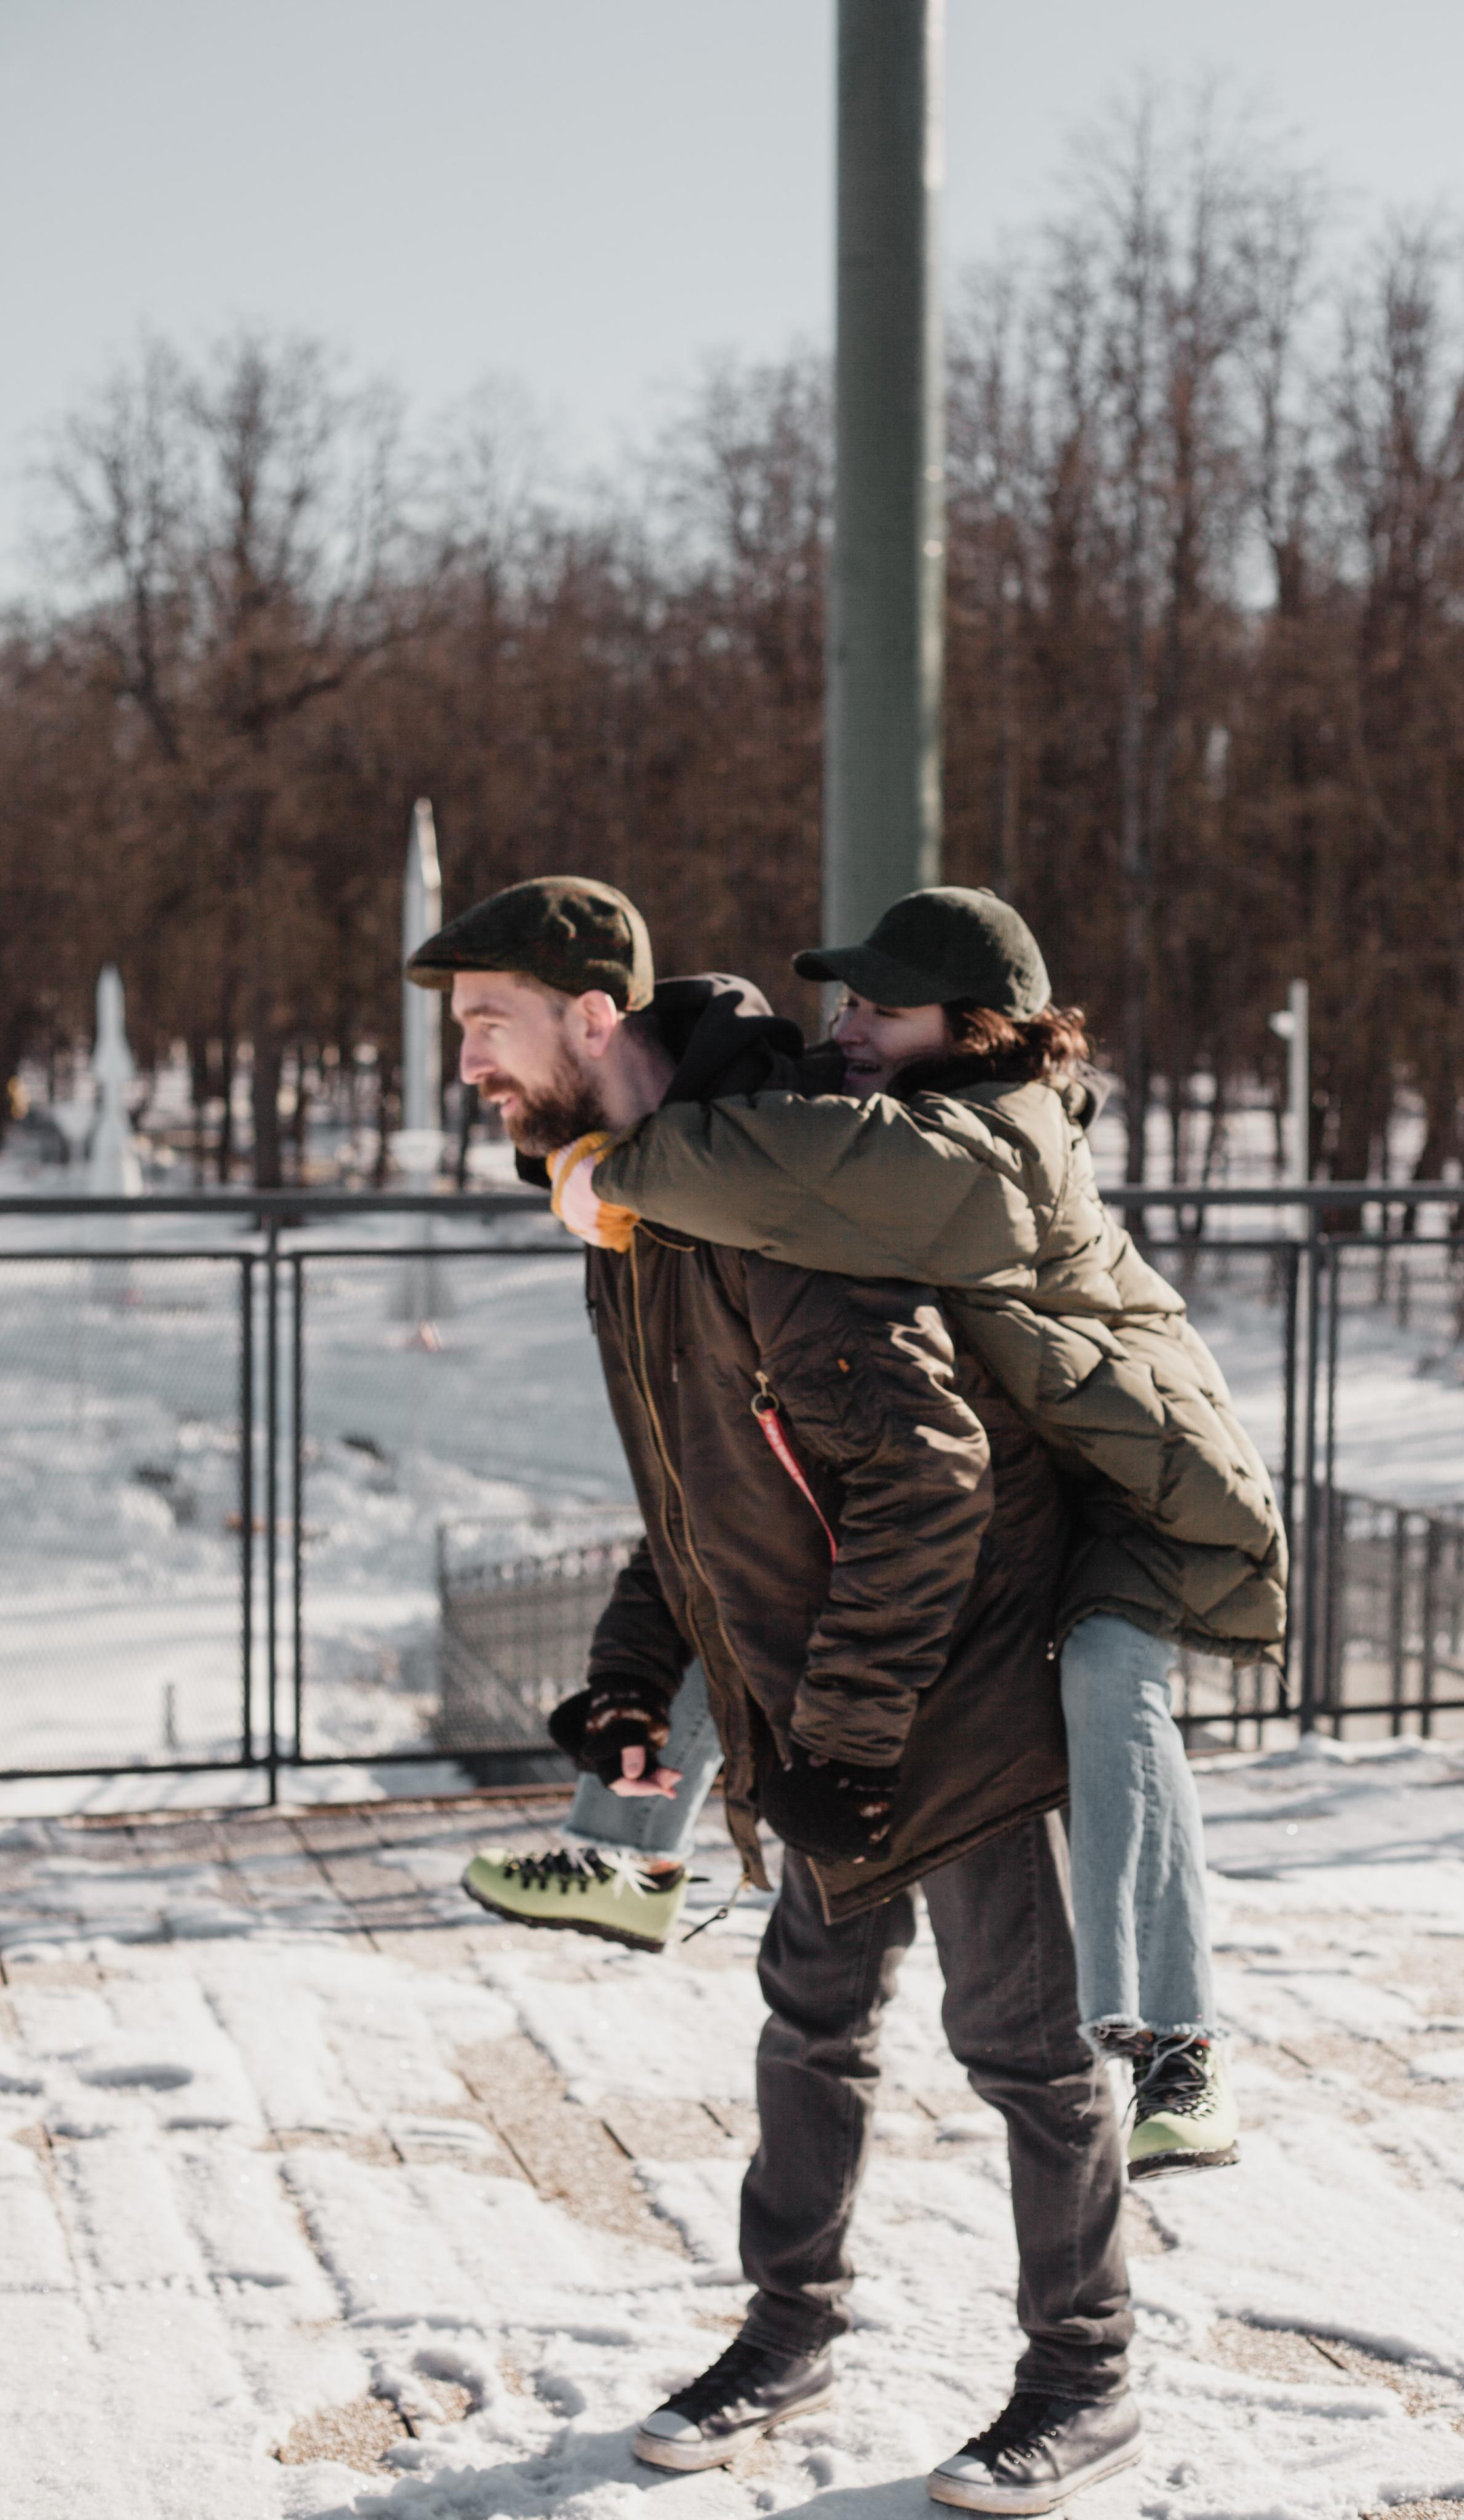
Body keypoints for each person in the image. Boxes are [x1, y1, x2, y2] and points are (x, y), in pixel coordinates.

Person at [406, 877, 1141, 2513]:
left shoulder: (772, 1192)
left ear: (589, 1017)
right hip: (827, 1699)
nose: (465, 1061)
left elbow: (930, 1477)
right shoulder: (643, 1201)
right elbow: (709, 1486)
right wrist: (630, 1678)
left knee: (1022, 2051)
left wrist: (850, 1738)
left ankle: (1082, 2375)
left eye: (486, 1023)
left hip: (964, 1683)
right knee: (811, 2023)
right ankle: (788, 2332)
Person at [493, 886, 1287, 2182]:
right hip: (1038, 1485)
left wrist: (607, 1173)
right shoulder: (892, 1108)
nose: (848, 1026)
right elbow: (757, 1114)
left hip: (1135, 1497)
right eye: (845, 1003)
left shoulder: (994, 1143)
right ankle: (628, 1847)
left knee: (1107, 1682)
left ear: (976, 1028)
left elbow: (784, 1163)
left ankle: (1177, 2046)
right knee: (755, 1545)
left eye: (883, 1008)